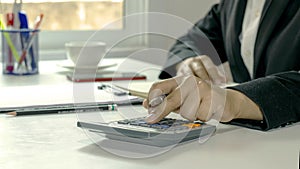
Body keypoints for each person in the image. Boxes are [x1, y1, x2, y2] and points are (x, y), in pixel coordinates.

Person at [143, 0, 300, 131]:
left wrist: (236, 101)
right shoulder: (233, 3)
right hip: (248, 140)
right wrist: (188, 62)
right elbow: (191, 41)